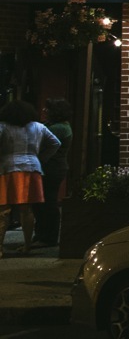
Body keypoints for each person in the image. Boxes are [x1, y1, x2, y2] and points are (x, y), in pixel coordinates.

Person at [0, 100, 60, 256]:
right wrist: (41, 157)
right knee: (26, 210)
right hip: (32, 168)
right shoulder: (38, 127)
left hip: (7, 168)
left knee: (4, 210)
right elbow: (55, 143)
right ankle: (27, 245)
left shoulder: (3, 126)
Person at [31, 98, 73, 248]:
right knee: (43, 202)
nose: (44, 111)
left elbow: (38, 139)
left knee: (47, 202)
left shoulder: (59, 128)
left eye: (48, 109)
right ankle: (42, 234)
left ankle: (48, 237)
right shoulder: (58, 126)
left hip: (52, 168)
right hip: (52, 167)